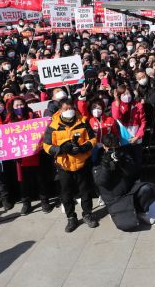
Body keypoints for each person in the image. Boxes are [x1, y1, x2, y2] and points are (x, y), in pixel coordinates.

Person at [42, 99, 99, 232]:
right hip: (64, 166)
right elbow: (46, 145)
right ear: (60, 110)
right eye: (65, 109)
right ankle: (71, 218)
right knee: (66, 193)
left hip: (82, 163)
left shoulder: (83, 121)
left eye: (71, 108)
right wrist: (61, 149)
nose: (69, 111)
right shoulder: (53, 126)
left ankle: (87, 214)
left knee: (85, 191)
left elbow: (93, 139)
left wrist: (84, 148)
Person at [93, 134, 155, 231]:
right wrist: (105, 164)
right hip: (113, 197)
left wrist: (122, 161)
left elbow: (133, 172)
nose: (113, 151)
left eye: (115, 148)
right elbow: (101, 182)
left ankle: (141, 212)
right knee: (126, 225)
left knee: (146, 189)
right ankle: (115, 213)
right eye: (110, 149)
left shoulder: (122, 153)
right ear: (104, 146)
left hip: (128, 191)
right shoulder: (99, 159)